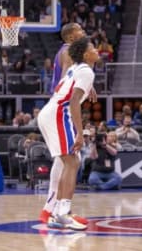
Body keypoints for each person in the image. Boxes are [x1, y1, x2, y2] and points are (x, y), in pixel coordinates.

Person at [37, 37, 99, 230]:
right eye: (93, 48)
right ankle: (63, 212)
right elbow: (73, 103)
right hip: (58, 114)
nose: (97, 50)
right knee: (72, 161)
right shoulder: (86, 71)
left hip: (50, 112)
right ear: (85, 54)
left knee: (69, 162)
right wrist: (80, 133)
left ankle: (58, 213)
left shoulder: (77, 69)